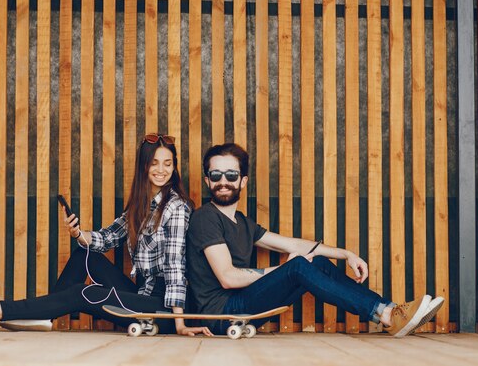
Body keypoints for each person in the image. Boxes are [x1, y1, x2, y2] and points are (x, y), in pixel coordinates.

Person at [0, 133, 212, 336]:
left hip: (162, 309)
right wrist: (78, 233)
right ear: (144, 166)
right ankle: (44, 316)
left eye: (168, 164)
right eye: (154, 163)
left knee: (81, 293)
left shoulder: (176, 207)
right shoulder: (141, 205)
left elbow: (176, 265)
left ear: (174, 167)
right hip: (142, 295)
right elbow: (108, 237)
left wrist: (179, 324)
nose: (161, 170)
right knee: (85, 255)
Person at [186, 143, 444, 337]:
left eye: (231, 175)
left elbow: (291, 244)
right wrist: (286, 269)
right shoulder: (205, 218)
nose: (223, 182)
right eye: (216, 175)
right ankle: (388, 316)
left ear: (242, 182)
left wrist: (344, 253)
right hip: (220, 314)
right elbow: (228, 277)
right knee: (298, 266)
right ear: (208, 180)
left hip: (242, 308)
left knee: (314, 262)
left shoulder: (242, 222)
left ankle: (388, 309)